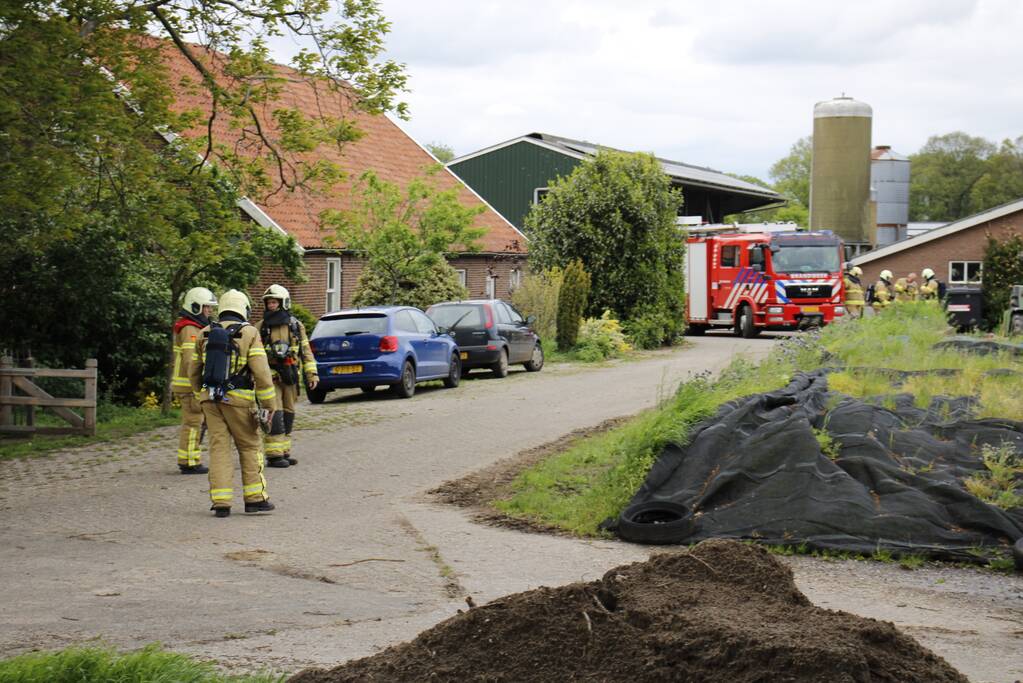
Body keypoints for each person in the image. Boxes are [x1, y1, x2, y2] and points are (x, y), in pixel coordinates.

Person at [189, 289, 277, 518]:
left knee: (219, 449)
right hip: (239, 401)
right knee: (248, 447)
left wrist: (202, 393)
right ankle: (255, 499)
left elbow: (194, 370)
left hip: (210, 400)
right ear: (243, 308)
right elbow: (261, 372)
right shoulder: (250, 333)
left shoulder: (204, 332)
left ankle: (221, 502)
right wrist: (269, 403)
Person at [254, 284, 319, 468]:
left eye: (274, 302)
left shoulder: (296, 326)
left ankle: (284, 450)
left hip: (290, 377)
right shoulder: (260, 327)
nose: (271, 306)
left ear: (283, 303)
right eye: (269, 303)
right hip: (270, 378)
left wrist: (312, 374)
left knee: (289, 414)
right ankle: (274, 455)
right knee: (275, 413)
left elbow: (306, 351)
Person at [171, 287, 217, 474]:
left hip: (188, 384)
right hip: (189, 385)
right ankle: (189, 461)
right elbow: (192, 360)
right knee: (193, 422)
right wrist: (201, 382)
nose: (210, 311)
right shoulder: (190, 328)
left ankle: (189, 457)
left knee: (195, 422)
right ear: (196, 307)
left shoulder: (192, 326)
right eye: (207, 307)